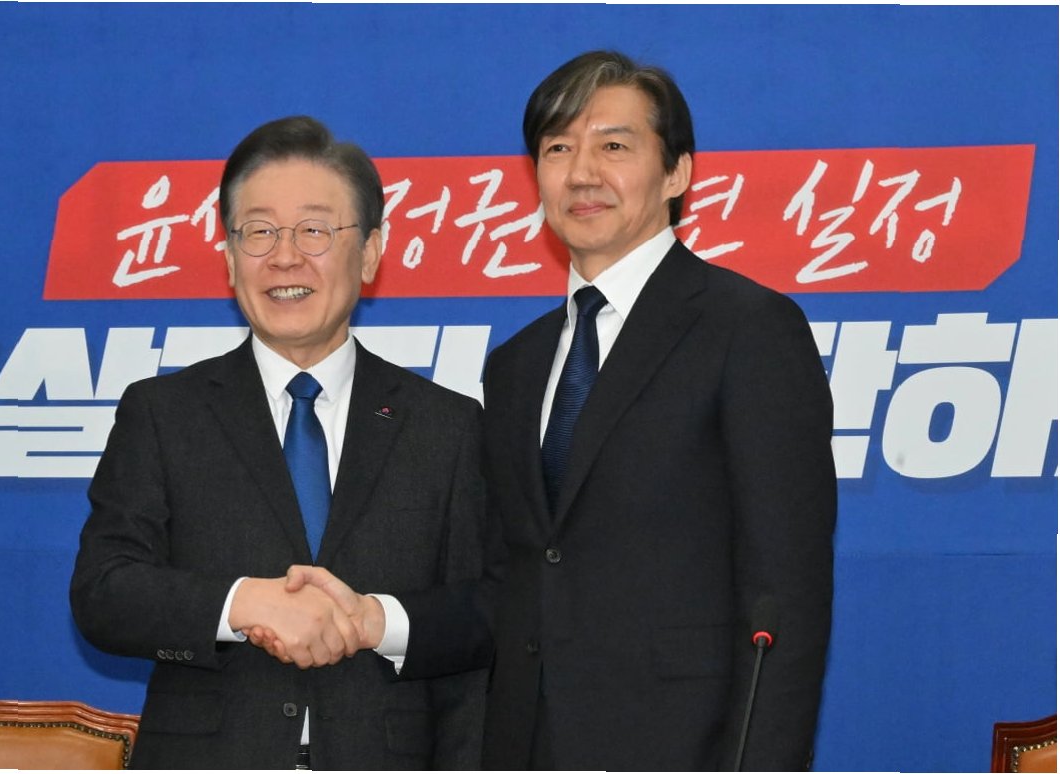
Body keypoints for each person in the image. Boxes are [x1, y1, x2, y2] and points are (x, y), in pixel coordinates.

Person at [270, 50, 837, 771]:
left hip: (682, 750)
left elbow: (783, 595)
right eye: (558, 149)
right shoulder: (519, 364)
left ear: (678, 173)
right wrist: (371, 619)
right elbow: (512, 581)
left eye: (614, 147)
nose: (582, 173)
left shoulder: (747, 328)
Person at [69, 115, 487, 770]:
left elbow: (484, 613)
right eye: (259, 231)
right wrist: (241, 603)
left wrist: (377, 621)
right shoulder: (163, 413)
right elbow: (104, 593)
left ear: (370, 253)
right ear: (229, 258)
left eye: (315, 230)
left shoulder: (448, 425)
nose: (285, 257)